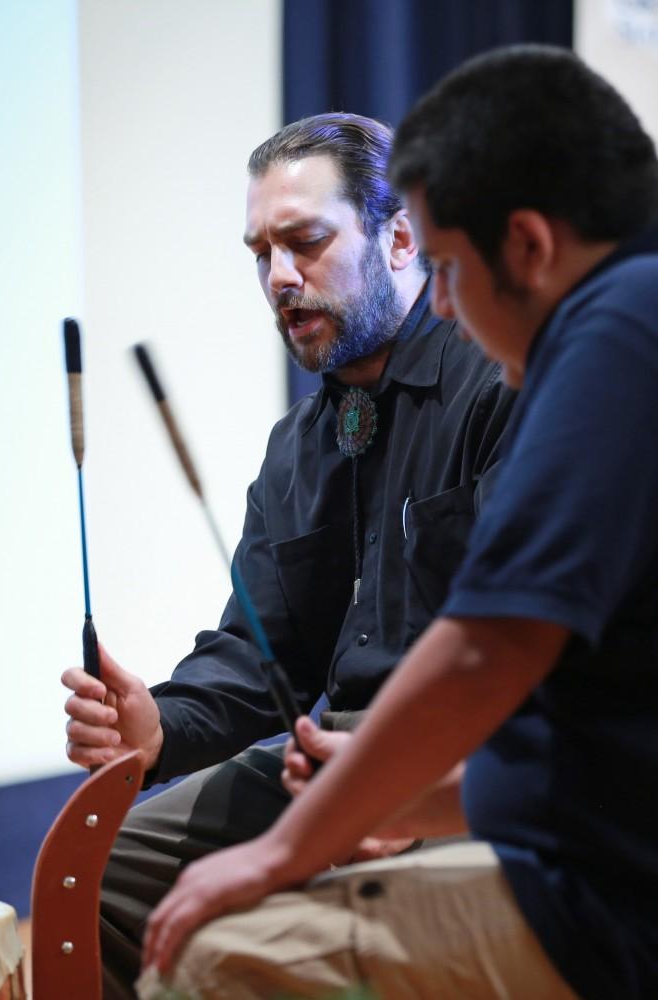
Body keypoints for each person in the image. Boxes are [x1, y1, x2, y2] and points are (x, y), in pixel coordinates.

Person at [138, 45, 658, 1000]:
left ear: (530, 248)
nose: (446, 307)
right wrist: (400, 793)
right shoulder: (617, 323)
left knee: (218, 961)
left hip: (606, 903)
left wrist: (294, 844)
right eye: (260, 255)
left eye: (451, 268)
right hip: (533, 826)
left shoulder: (618, 329)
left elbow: (487, 653)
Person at [62, 112, 513, 998]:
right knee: (97, 878)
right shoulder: (297, 445)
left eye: (304, 243)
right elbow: (254, 648)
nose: (278, 278)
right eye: (259, 253)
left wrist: (421, 783)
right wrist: (157, 727)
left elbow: (526, 652)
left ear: (396, 238)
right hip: (320, 761)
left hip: (459, 765)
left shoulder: (496, 385)